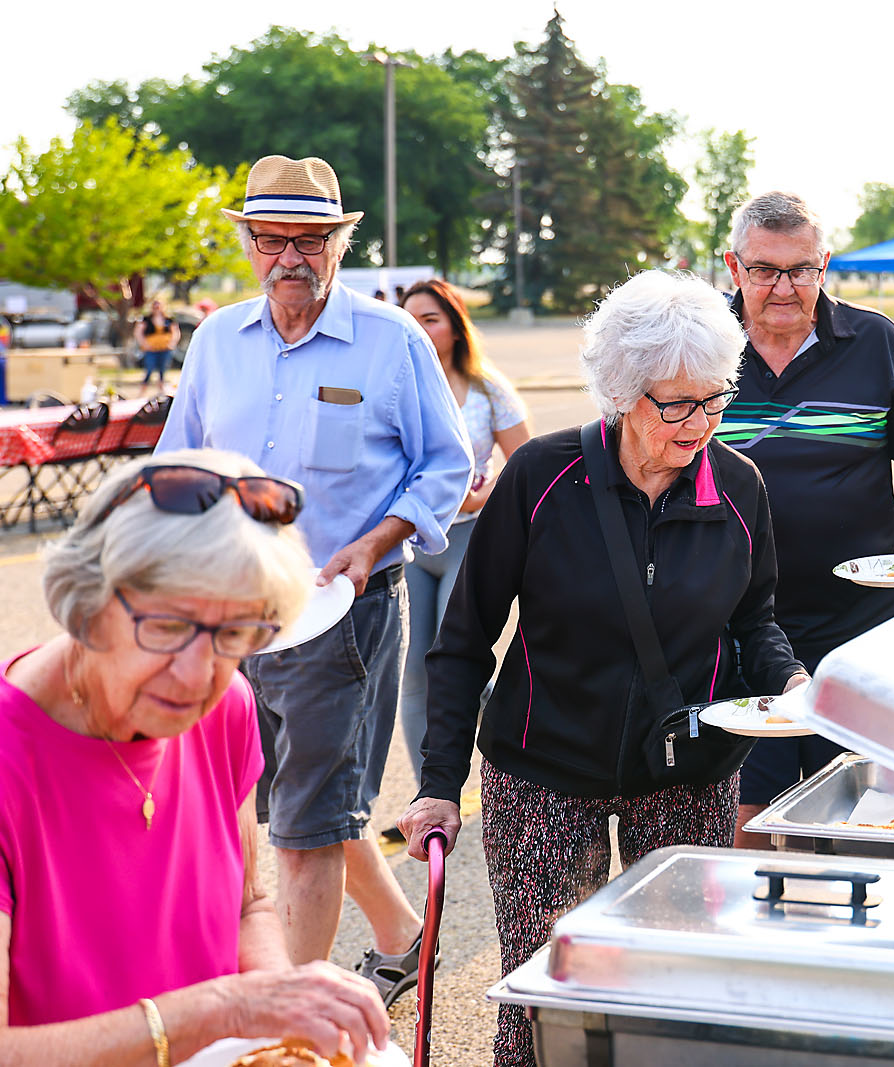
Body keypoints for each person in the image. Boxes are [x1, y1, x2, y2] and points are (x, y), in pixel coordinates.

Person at [396, 270, 807, 1066]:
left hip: (690, 769)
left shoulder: (740, 486)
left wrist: (790, 684)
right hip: (546, 766)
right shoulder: (542, 477)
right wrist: (439, 784)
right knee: (549, 986)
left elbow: (755, 618)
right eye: (676, 403)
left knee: (677, 991)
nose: (701, 422)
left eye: (715, 397)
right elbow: (464, 639)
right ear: (622, 393)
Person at [157, 156, 472, 1002]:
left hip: (343, 614)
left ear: (339, 242)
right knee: (286, 804)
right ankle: (409, 934)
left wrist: (374, 544)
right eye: (271, 238)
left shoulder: (391, 339)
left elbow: (446, 465)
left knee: (301, 828)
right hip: (233, 615)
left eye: (309, 239)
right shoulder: (217, 339)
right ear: (249, 243)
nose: (288, 256)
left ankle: (290, 1020)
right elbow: (175, 465)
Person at [0, 450, 388, 1064]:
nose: (195, 674)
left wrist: (277, 1020)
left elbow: (247, 905)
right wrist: (226, 1011)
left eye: (235, 633)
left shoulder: (223, 708)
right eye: (166, 625)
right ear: (87, 603)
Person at [715, 191, 894, 845]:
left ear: (824, 264)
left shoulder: (875, 341)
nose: (783, 286)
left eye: (801, 269)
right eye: (765, 269)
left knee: (860, 825)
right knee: (744, 831)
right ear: (733, 266)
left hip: (860, 631)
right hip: (733, 635)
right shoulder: (698, 346)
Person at [395, 279, 532, 787]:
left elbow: (524, 462)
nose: (421, 329)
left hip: (467, 538)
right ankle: (424, 791)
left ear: (454, 325)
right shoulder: (395, 381)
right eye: (411, 319)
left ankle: (514, 753)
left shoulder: (486, 387)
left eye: (430, 318)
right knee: (414, 675)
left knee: (460, 663)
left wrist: (482, 493)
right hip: (408, 542)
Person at [135, 298, 180, 397]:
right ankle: (143, 390)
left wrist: (172, 343)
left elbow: (175, 332)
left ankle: (161, 390)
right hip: (151, 348)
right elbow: (138, 332)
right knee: (149, 368)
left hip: (164, 348)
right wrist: (144, 344)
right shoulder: (146, 319)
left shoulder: (168, 319)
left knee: (163, 369)